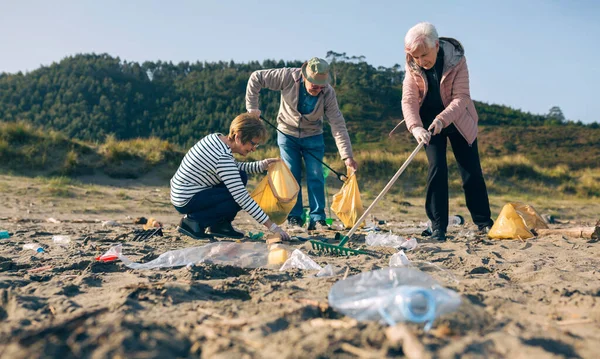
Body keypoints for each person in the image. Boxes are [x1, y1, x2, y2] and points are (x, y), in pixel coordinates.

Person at [400, 22, 494, 242]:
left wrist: (442, 119)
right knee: (437, 169)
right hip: (428, 125)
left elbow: (462, 98)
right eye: (416, 57)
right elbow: (409, 99)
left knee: (470, 172)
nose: (421, 61)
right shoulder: (412, 65)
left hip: (458, 119)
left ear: (436, 45)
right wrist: (415, 128)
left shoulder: (457, 59)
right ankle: (438, 226)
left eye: (425, 55)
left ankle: (483, 222)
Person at [246, 57, 358, 230]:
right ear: (305, 76)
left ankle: (318, 218)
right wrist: (252, 108)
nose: (318, 88)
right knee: (292, 174)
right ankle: (295, 217)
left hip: (313, 136)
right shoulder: (287, 76)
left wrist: (347, 156)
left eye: (321, 85)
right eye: (314, 84)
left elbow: (338, 124)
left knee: (316, 175)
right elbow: (256, 77)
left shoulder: (328, 92)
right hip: (286, 133)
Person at [170, 113, 291, 241]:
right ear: (238, 136)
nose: (254, 149)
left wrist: (262, 165)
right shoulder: (222, 157)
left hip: (182, 192)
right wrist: (272, 227)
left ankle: (219, 226)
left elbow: (233, 167)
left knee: (240, 176)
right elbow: (241, 197)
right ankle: (192, 222)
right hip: (187, 198)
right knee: (236, 199)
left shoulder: (215, 138)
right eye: (252, 144)